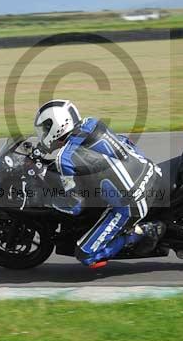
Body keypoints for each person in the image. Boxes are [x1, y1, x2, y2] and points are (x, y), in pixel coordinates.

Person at [33, 99, 165, 268]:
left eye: (45, 129)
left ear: (57, 126)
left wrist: (48, 200)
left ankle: (142, 232)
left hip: (132, 203)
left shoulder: (65, 158)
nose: (43, 134)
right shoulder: (91, 124)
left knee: (86, 255)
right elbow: (124, 142)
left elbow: (75, 206)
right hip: (149, 170)